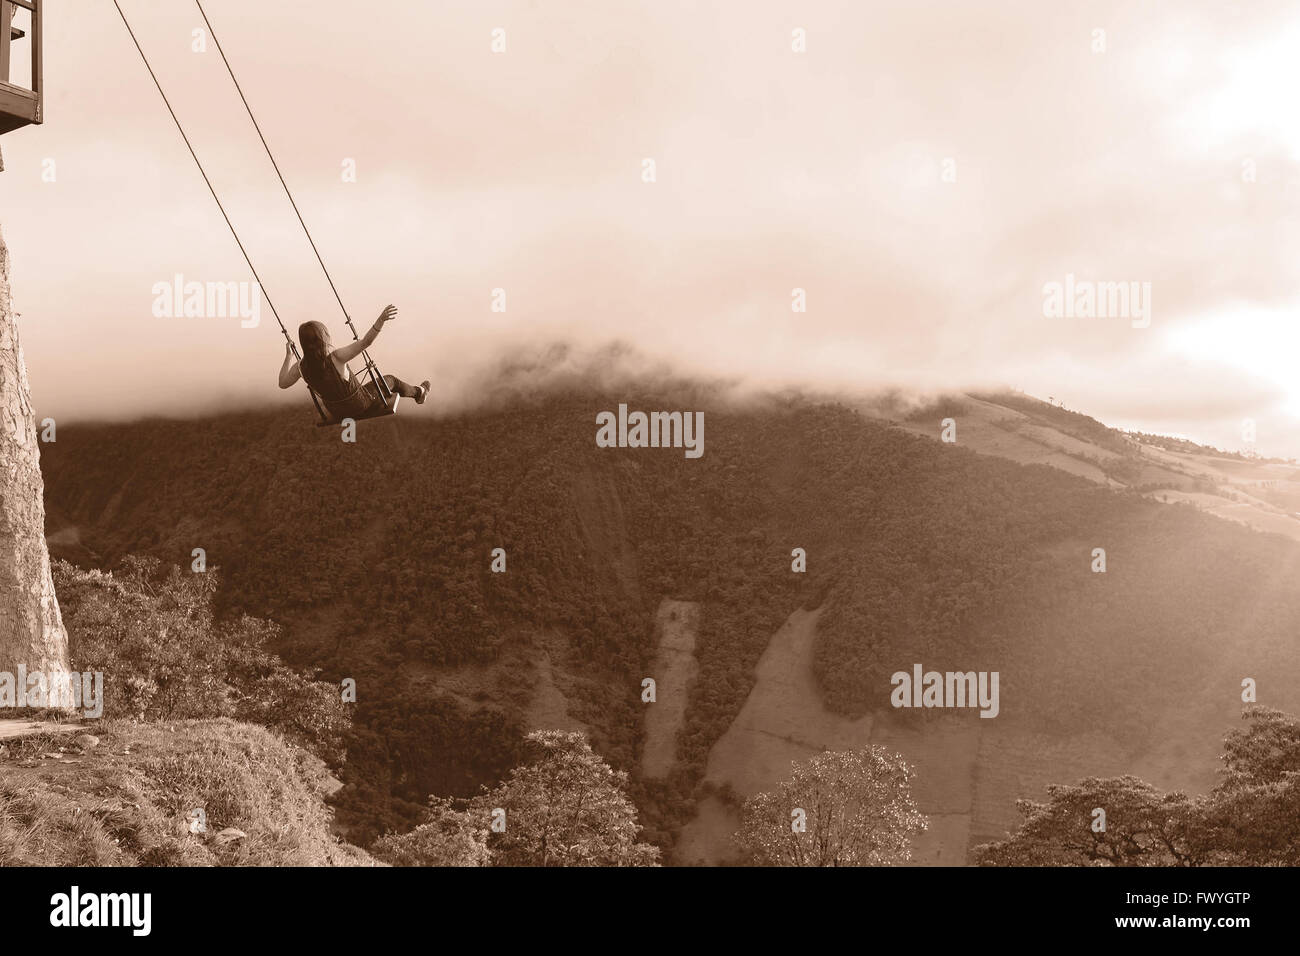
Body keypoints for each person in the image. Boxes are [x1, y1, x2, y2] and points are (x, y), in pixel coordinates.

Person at [277, 305, 430, 419]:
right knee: (390, 380)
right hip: (360, 404)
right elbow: (366, 342)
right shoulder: (336, 357)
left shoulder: (300, 368)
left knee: (352, 391)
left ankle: (419, 392)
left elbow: (282, 383)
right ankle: (420, 393)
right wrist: (380, 320)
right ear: (323, 339)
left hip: (335, 410)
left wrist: (289, 355)